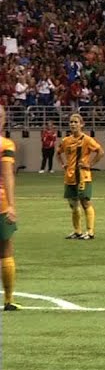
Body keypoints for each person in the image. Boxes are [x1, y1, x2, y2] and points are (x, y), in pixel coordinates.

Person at [57, 113, 104, 240]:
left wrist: (90, 164)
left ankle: (90, 232)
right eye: (71, 122)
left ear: (81, 124)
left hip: (83, 176)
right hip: (69, 176)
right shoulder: (65, 141)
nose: (73, 124)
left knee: (85, 202)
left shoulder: (87, 140)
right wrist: (63, 164)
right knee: (73, 204)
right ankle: (77, 231)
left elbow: (100, 151)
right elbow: (58, 153)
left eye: (75, 122)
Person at [1, 106, 18, 311]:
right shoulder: (5, 144)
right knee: (5, 247)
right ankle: (8, 300)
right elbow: (7, 175)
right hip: (1, 203)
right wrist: (12, 205)